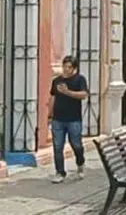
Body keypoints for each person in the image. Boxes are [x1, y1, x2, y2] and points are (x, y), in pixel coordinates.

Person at [49, 55, 89, 183]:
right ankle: (60, 172)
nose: (66, 70)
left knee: (76, 144)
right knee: (57, 146)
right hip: (58, 119)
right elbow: (53, 97)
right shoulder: (56, 81)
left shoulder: (79, 80)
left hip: (73, 119)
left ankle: (80, 163)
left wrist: (68, 92)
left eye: (69, 67)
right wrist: (49, 114)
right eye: (64, 67)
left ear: (74, 68)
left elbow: (84, 95)